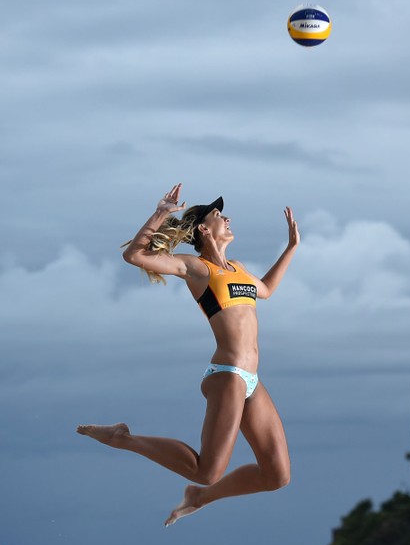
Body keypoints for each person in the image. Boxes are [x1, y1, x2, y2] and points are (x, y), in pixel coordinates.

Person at [77, 182, 300, 526]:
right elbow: (134, 256)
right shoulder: (196, 269)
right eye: (218, 215)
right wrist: (162, 212)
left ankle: (199, 498)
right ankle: (122, 438)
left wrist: (291, 247)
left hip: (251, 380)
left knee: (277, 476)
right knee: (206, 469)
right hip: (227, 374)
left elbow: (266, 289)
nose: (226, 218)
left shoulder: (237, 268)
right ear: (203, 228)